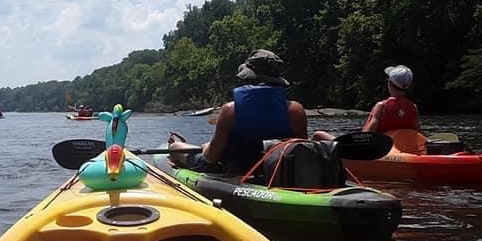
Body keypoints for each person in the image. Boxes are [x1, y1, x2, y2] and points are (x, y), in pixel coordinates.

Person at [168, 49, 307, 173]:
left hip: (231, 171)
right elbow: (303, 153)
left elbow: (211, 158)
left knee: (175, 147)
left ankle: (175, 147)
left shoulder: (230, 110)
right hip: (275, 172)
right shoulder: (296, 110)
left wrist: (206, 147)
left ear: (249, 76)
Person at [311, 65, 420, 141]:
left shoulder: (381, 106)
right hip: (399, 149)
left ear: (390, 83)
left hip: (376, 151)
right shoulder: (413, 108)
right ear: (408, 86)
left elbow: (367, 135)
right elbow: (418, 135)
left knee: (318, 135)